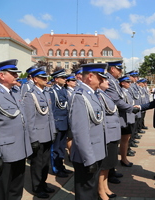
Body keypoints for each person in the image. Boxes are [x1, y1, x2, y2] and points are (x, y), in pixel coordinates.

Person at [0, 59, 33, 200]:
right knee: (0, 192)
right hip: (4, 153)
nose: (17, 76)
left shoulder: (15, 92)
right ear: (2, 75)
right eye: (13, 73)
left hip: (19, 150)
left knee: (15, 190)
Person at [68, 63, 108, 199]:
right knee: (86, 193)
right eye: (100, 78)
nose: (103, 81)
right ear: (90, 76)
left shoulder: (92, 94)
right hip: (87, 156)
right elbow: (80, 133)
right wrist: (89, 159)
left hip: (95, 152)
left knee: (91, 191)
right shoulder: (80, 97)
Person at [23, 68, 56, 198]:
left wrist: (53, 132)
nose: (45, 79)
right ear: (35, 79)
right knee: (37, 164)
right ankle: (37, 187)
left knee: (45, 163)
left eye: (46, 77)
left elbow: (50, 115)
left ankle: (43, 183)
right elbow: (29, 120)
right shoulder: (30, 95)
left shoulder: (46, 93)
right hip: (38, 136)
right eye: (42, 78)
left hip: (47, 134)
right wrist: (33, 139)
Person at [105, 61, 138, 183]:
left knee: (115, 146)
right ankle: (109, 172)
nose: (121, 72)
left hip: (118, 117)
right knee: (112, 147)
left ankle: (111, 170)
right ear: (112, 69)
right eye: (119, 69)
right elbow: (116, 100)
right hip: (113, 118)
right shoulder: (109, 80)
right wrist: (132, 108)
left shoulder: (113, 80)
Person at [97, 78, 121, 200]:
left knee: (109, 164)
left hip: (112, 133)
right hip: (107, 134)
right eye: (105, 80)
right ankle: (101, 190)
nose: (108, 82)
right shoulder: (98, 95)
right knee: (104, 165)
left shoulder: (105, 94)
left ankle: (105, 187)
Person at [50, 69, 73, 178]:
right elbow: (52, 111)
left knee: (62, 147)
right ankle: (56, 168)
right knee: (56, 148)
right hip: (57, 124)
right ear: (56, 79)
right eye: (63, 78)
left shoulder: (64, 90)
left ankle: (61, 166)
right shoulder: (52, 91)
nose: (65, 79)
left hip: (64, 123)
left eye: (65, 78)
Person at [118, 76, 137, 167]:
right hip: (124, 119)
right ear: (122, 83)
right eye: (127, 82)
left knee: (127, 138)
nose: (129, 83)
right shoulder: (121, 92)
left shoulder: (126, 91)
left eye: (130, 82)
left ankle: (125, 156)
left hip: (129, 118)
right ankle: (123, 159)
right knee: (124, 139)